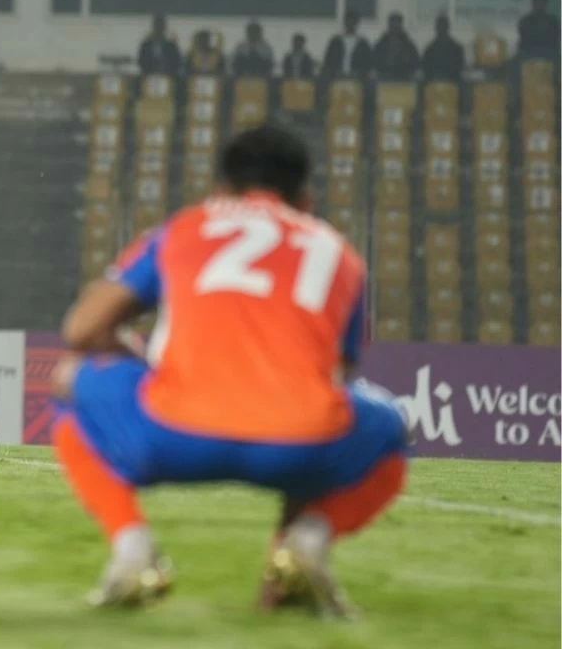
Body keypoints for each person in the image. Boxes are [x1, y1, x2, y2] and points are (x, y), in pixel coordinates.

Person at [50, 125, 410, 616]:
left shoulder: (185, 228)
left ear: (221, 190)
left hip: (174, 432)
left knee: (68, 379)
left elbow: (83, 329)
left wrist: (144, 366)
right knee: (390, 426)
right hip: (298, 441)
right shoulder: (340, 254)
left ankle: (132, 551)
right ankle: (304, 547)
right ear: (305, 199)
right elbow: (337, 378)